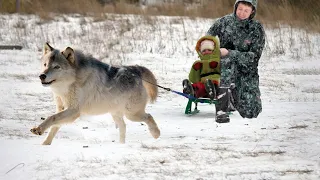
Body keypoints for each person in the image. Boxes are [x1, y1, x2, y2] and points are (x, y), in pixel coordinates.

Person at [206, 0, 265, 121]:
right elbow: (207, 38)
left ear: (252, 11)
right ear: (235, 7)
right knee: (226, 62)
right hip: (224, 67)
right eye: (240, 9)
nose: (242, 13)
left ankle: (231, 98)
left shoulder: (256, 28)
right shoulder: (224, 22)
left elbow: (253, 58)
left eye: (246, 10)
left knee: (251, 112)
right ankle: (221, 109)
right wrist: (212, 50)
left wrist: (230, 53)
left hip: (246, 71)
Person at [183, 35, 221, 100]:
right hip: (203, 83)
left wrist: (217, 65)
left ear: (214, 50)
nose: (206, 52)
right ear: (200, 52)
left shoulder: (219, 60)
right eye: (204, 50)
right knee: (198, 86)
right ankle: (190, 90)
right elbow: (194, 79)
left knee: (212, 83)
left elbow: (225, 72)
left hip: (217, 82)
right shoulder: (200, 63)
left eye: (209, 50)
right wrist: (195, 69)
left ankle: (212, 90)